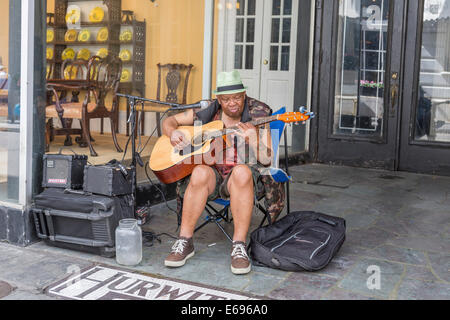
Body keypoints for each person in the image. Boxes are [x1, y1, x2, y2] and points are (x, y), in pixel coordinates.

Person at [161, 70, 285, 275]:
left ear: (244, 95)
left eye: (237, 97)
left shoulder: (260, 113)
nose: (233, 103)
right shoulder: (208, 109)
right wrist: (173, 133)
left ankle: (238, 246)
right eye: (227, 99)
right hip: (213, 173)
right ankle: (185, 241)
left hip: (242, 179)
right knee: (200, 171)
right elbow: (169, 121)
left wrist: (253, 139)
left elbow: (267, 160)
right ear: (218, 99)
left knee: (242, 172)